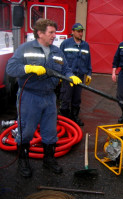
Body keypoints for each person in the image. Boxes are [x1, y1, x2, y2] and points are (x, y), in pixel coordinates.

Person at [6, 18, 82, 178]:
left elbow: (65, 69)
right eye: (51, 32)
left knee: (50, 131)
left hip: (49, 97)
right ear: (40, 33)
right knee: (26, 131)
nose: (54, 35)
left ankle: (49, 160)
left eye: (55, 32)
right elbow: (11, 68)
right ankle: (23, 161)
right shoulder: (25, 48)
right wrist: (28, 67)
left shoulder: (56, 51)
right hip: (29, 96)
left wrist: (71, 76)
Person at [59, 23, 92, 126]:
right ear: (72, 32)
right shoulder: (65, 44)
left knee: (77, 98)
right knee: (66, 97)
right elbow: (60, 60)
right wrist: (60, 74)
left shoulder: (85, 45)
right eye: (78, 31)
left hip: (80, 76)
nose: (81, 33)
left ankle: (75, 116)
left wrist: (89, 73)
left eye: (82, 31)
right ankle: (64, 119)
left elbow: (88, 60)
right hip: (68, 76)